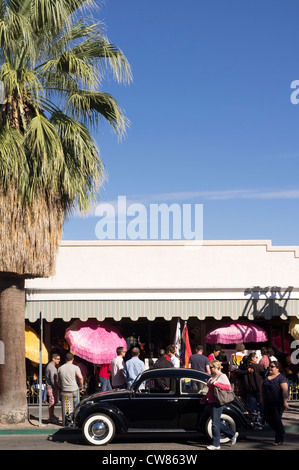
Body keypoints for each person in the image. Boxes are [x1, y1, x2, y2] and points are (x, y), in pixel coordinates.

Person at [201, 360, 238, 450]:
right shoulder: (213, 376)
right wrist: (204, 398)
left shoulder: (222, 376)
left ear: (216, 367)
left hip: (218, 402)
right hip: (211, 401)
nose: (210, 369)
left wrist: (217, 384)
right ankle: (232, 434)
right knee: (215, 422)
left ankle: (216, 444)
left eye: (211, 367)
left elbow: (228, 387)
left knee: (214, 423)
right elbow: (209, 390)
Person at [261, 360, 289, 445]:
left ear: (277, 368)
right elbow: (261, 386)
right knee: (266, 418)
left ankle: (279, 439)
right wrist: (261, 397)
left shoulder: (281, 378)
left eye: (272, 366)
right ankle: (280, 430)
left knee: (276, 420)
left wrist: (285, 402)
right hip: (268, 402)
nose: (270, 368)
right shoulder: (266, 376)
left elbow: (285, 390)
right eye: (269, 366)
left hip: (277, 402)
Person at [235, 351, 265, 421]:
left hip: (249, 389)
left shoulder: (244, 367)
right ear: (252, 358)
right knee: (261, 405)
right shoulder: (258, 367)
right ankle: (262, 419)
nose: (258, 359)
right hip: (258, 389)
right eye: (256, 357)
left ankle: (255, 419)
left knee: (253, 406)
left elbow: (237, 372)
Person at [45, 353, 61, 424]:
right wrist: (56, 387)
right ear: (53, 359)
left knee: (53, 402)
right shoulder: (52, 367)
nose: (59, 360)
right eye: (57, 359)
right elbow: (53, 379)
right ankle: (50, 417)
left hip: (51, 386)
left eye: (59, 359)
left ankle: (52, 415)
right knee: (52, 402)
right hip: (51, 387)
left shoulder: (50, 366)